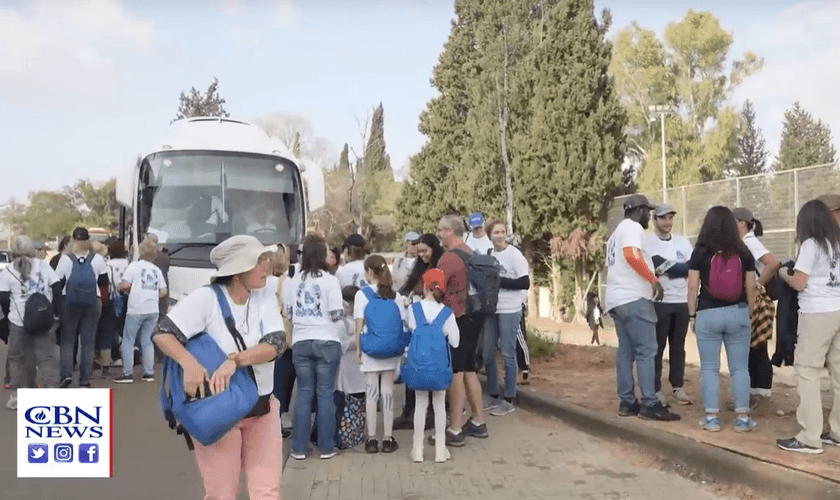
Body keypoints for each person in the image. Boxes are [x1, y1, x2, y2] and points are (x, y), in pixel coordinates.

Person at [154, 235, 286, 498]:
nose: (265, 268)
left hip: (262, 408)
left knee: (266, 492)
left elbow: (276, 343)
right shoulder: (206, 299)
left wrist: (235, 361)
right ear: (237, 272)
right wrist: (189, 364)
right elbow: (163, 333)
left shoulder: (264, 296)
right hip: (220, 408)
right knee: (221, 493)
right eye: (258, 262)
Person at [604, 195, 679, 421]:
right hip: (634, 298)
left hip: (616, 300)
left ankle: (627, 402)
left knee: (626, 352)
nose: (649, 216)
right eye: (648, 211)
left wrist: (647, 274)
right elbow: (631, 255)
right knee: (647, 350)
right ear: (639, 210)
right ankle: (650, 403)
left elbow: (611, 266)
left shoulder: (615, 234)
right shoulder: (632, 227)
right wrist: (652, 280)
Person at [776, 200, 840, 454]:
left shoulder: (811, 245)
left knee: (807, 371)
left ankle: (809, 437)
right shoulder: (837, 244)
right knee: (838, 372)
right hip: (839, 309)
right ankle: (836, 431)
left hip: (817, 313)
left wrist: (783, 273)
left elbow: (799, 282)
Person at [687, 206, 757, 433]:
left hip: (708, 313)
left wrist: (691, 314)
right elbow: (751, 286)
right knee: (739, 368)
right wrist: (750, 313)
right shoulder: (743, 251)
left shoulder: (700, 251)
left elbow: (692, 285)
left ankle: (711, 418)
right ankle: (743, 418)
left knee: (709, 367)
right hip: (738, 311)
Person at [283, 235, 345, 461]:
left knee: (304, 394)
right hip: (327, 340)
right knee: (326, 393)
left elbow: (288, 314)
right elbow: (336, 314)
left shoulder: (292, 281)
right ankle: (326, 447)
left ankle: (299, 448)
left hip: (301, 340)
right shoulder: (330, 281)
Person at [436, 214, 489, 445]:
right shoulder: (471, 253)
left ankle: (455, 429)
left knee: (456, 372)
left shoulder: (448, 258)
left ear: (450, 231)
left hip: (456, 318)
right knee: (469, 370)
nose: (438, 233)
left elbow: (436, 289)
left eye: (440, 229)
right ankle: (478, 421)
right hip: (474, 317)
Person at [0, 236, 62, 409]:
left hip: (18, 320)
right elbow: (57, 288)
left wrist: (9, 314)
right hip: (43, 317)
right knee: (47, 355)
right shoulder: (43, 265)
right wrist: (56, 312)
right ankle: (50, 390)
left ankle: (18, 396)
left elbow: (3, 297)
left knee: (18, 358)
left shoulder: (8, 270)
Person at [354, 255, 406, 454]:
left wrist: (358, 349)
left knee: (371, 393)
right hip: (391, 350)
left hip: (370, 349)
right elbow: (401, 324)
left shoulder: (362, 295)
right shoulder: (396, 296)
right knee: (387, 393)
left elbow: (359, 323)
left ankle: (371, 439)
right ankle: (388, 438)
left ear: (369, 272)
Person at [407, 268, 460, 463]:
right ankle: (440, 450)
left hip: (419, 367)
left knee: (420, 405)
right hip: (439, 368)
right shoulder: (446, 313)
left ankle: (417, 450)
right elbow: (455, 342)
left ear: (424, 285)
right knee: (439, 406)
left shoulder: (414, 310)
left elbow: (411, 330)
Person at [394, 233, 445, 431]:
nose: (421, 254)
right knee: (412, 366)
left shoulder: (439, 268)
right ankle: (409, 411)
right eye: (419, 251)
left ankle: (431, 412)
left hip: (432, 325)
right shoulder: (418, 269)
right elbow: (406, 289)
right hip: (415, 323)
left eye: (425, 251)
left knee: (430, 368)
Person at [733, 207, 781, 413]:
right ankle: (754, 395)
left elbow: (773, 263)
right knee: (751, 347)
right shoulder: (744, 242)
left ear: (741, 224)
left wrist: (757, 286)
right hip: (754, 298)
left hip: (758, 300)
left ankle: (761, 396)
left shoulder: (749, 242)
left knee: (757, 347)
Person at [646, 203, 694, 406]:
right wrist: (676, 268)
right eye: (663, 218)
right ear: (654, 220)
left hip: (681, 301)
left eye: (670, 218)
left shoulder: (683, 242)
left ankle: (678, 386)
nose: (667, 222)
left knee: (678, 347)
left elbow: (691, 268)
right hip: (660, 302)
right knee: (657, 347)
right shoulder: (648, 242)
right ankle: (655, 389)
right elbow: (655, 263)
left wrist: (669, 266)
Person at [482, 218, 529, 417]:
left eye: (502, 232)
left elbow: (524, 282)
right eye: (496, 232)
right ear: (489, 235)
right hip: (492, 309)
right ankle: (493, 394)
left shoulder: (515, 254)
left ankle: (509, 398)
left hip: (510, 309)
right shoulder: (489, 254)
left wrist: (500, 282)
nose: (499, 236)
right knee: (487, 353)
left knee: (508, 354)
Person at [55, 227, 110, 388]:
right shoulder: (98, 259)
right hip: (93, 302)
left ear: (74, 240)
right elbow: (104, 282)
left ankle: (66, 375)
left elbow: (58, 283)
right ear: (88, 240)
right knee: (88, 342)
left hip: (69, 302)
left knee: (67, 340)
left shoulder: (65, 259)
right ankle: (84, 380)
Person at [114, 240, 167, 383]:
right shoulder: (157, 270)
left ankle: (127, 374)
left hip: (136, 308)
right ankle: (148, 372)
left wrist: (123, 289)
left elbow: (125, 285)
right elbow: (163, 292)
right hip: (153, 309)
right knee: (147, 341)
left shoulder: (134, 266)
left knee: (128, 340)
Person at [99, 240, 129, 375]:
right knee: (124, 328)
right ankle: (125, 358)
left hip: (113, 298)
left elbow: (107, 282)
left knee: (109, 329)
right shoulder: (129, 263)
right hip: (128, 297)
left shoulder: (108, 264)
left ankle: (109, 360)